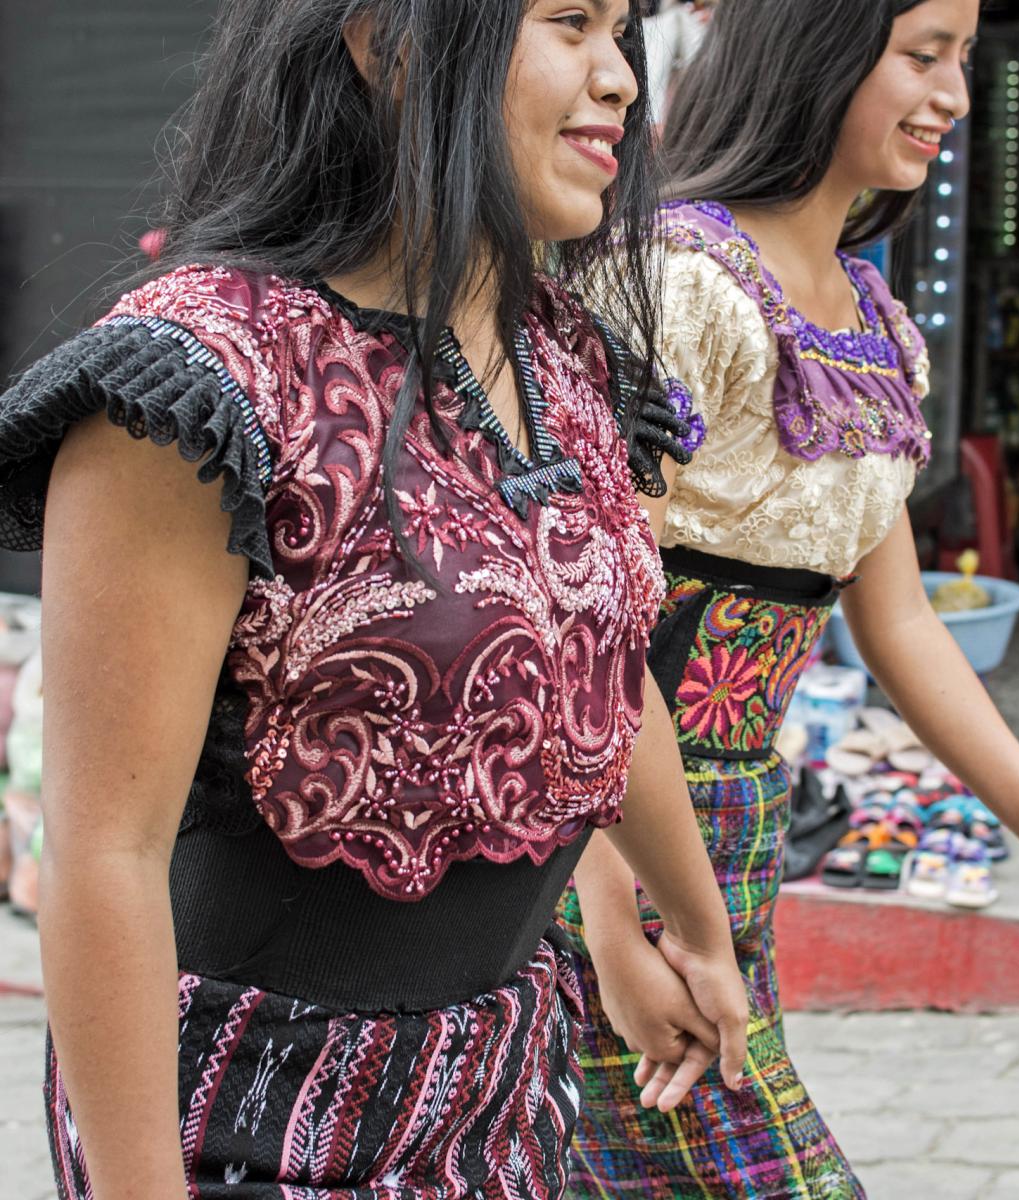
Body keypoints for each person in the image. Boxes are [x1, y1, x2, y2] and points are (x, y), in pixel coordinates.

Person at [0, 2, 752, 1196]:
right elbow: (103, 853)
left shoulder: (569, 363)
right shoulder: (197, 388)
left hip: (504, 1083)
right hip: (249, 1115)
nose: (619, 78)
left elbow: (605, 676)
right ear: (386, 41)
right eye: (570, 21)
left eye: (624, 29)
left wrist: (691, 932)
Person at [560, 1, 1019, 1196]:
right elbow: (578, 626)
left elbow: (899, 625)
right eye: (921, 55)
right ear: (820, 51)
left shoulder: (877, 330)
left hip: (740, 834)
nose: (952, 96)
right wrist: (604, 923)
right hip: (610, 845)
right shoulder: (682, 285)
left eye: (962, 62)